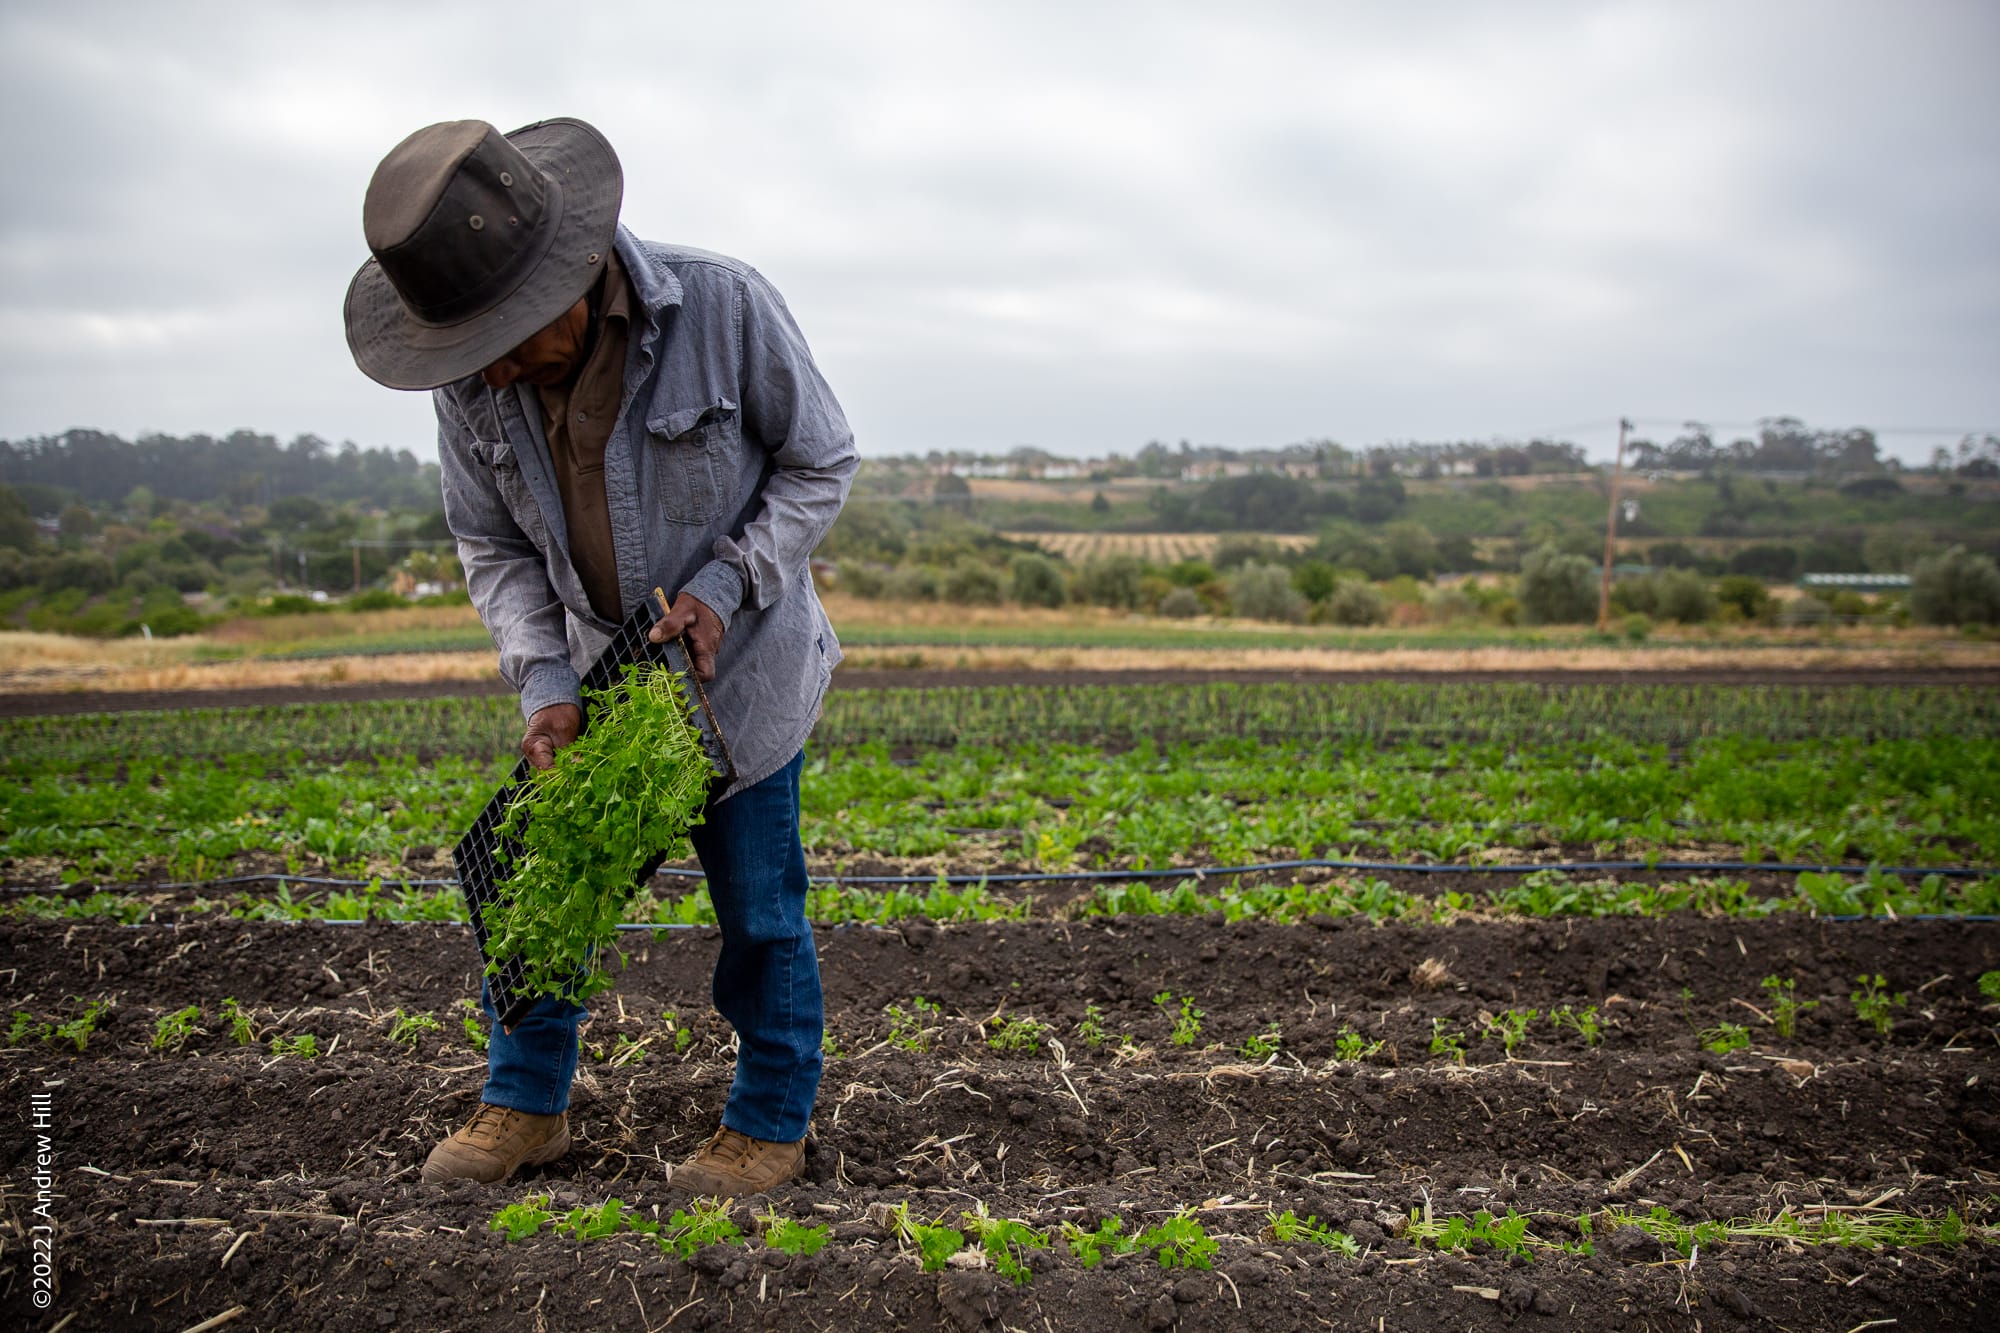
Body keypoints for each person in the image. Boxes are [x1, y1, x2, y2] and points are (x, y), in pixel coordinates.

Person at [343, 117, 856, 1194]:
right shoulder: (474, 379)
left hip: (741, 666)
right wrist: (543, 684)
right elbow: (489, 541)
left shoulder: (723, 307)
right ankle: (525, 1105)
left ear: (576, 274)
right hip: (601, 677)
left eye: (512, 339)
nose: (494, 376)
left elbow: (820, 460)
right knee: (539, 885)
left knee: (758, 910)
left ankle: (770, 1120)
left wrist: (725, 583)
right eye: (471, 355)